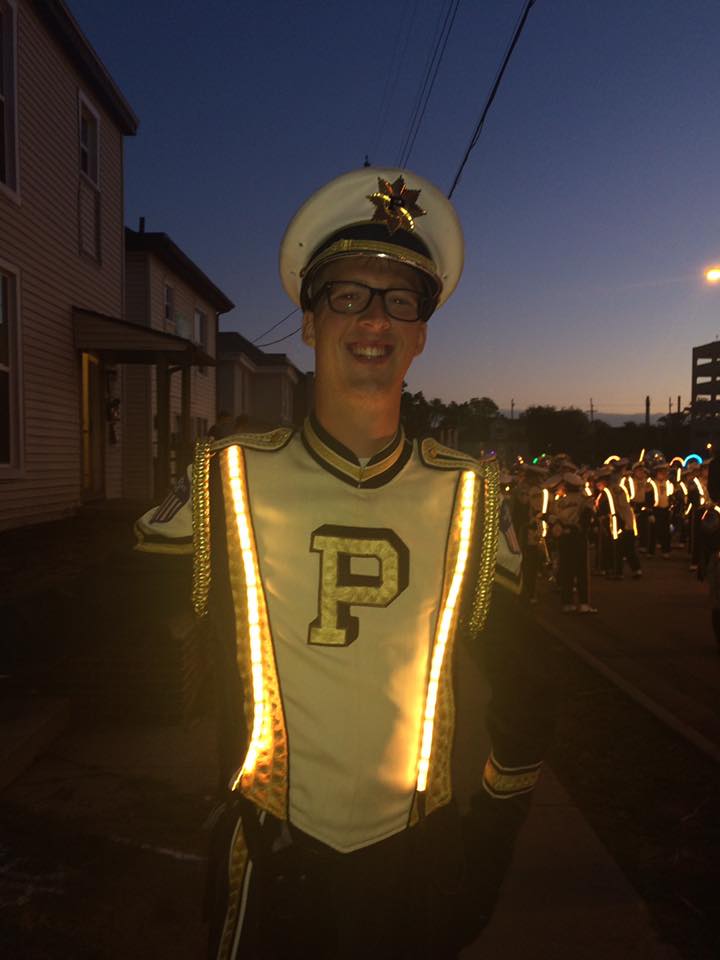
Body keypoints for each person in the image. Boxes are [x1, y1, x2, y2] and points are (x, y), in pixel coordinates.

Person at [135, 167, 553, 959]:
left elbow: (529, 687)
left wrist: (489, 837)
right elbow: (137, 620)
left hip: (417, 861)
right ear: (309, 319)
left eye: (401, 299)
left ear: (423, 331)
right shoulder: (226, 479)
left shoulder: (471, 493)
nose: (375, 319)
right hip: (273, 852)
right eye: (349, 294)